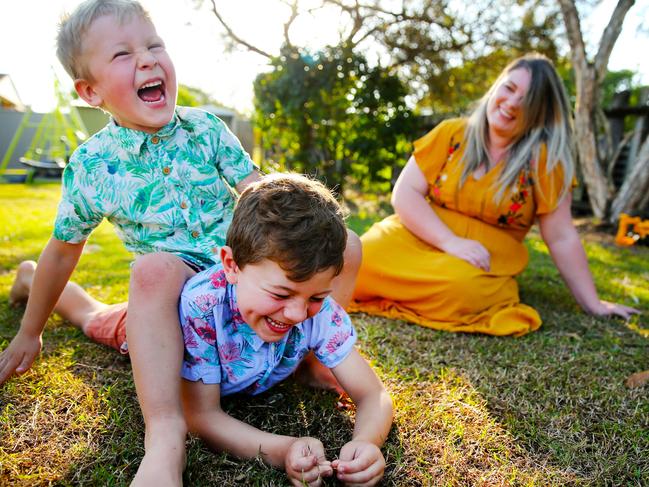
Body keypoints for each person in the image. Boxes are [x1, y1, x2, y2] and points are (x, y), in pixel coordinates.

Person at [0, 2, 362, 485]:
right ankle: (166, 434)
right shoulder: (91, 166)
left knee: (347, 244)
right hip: (170, 305)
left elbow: (259, 194)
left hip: (246, 279)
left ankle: (308, 357)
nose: (148, 60)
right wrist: (29, 330)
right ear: (90, 92)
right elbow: (65, 248)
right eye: (123, 54)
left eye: (154, 46)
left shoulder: (207, 129)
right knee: (116, 302)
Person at [8, 174, 393, 486]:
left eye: (315, 297)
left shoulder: (314, 307)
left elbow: (373, 393)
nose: (296, 313)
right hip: (157, 329)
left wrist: (366, 442)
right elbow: (201, 416)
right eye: (282, 293)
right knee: (92, 317)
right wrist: (285, 447)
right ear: (231, 265)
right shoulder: (201, 307)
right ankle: (29, 276)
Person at [349, 53, 639, 336]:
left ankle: (431, 292)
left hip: (481, 258)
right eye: (509, 88)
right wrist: (450, 241)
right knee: (360, 258)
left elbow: (561, 235)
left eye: (527, 101)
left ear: (541, 113)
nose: (511, 103)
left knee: (461, 289)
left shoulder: (546, 161)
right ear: (496, 86)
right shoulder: (451, 133)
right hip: (420, 234)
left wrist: (593, 303)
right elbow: (405, 193)